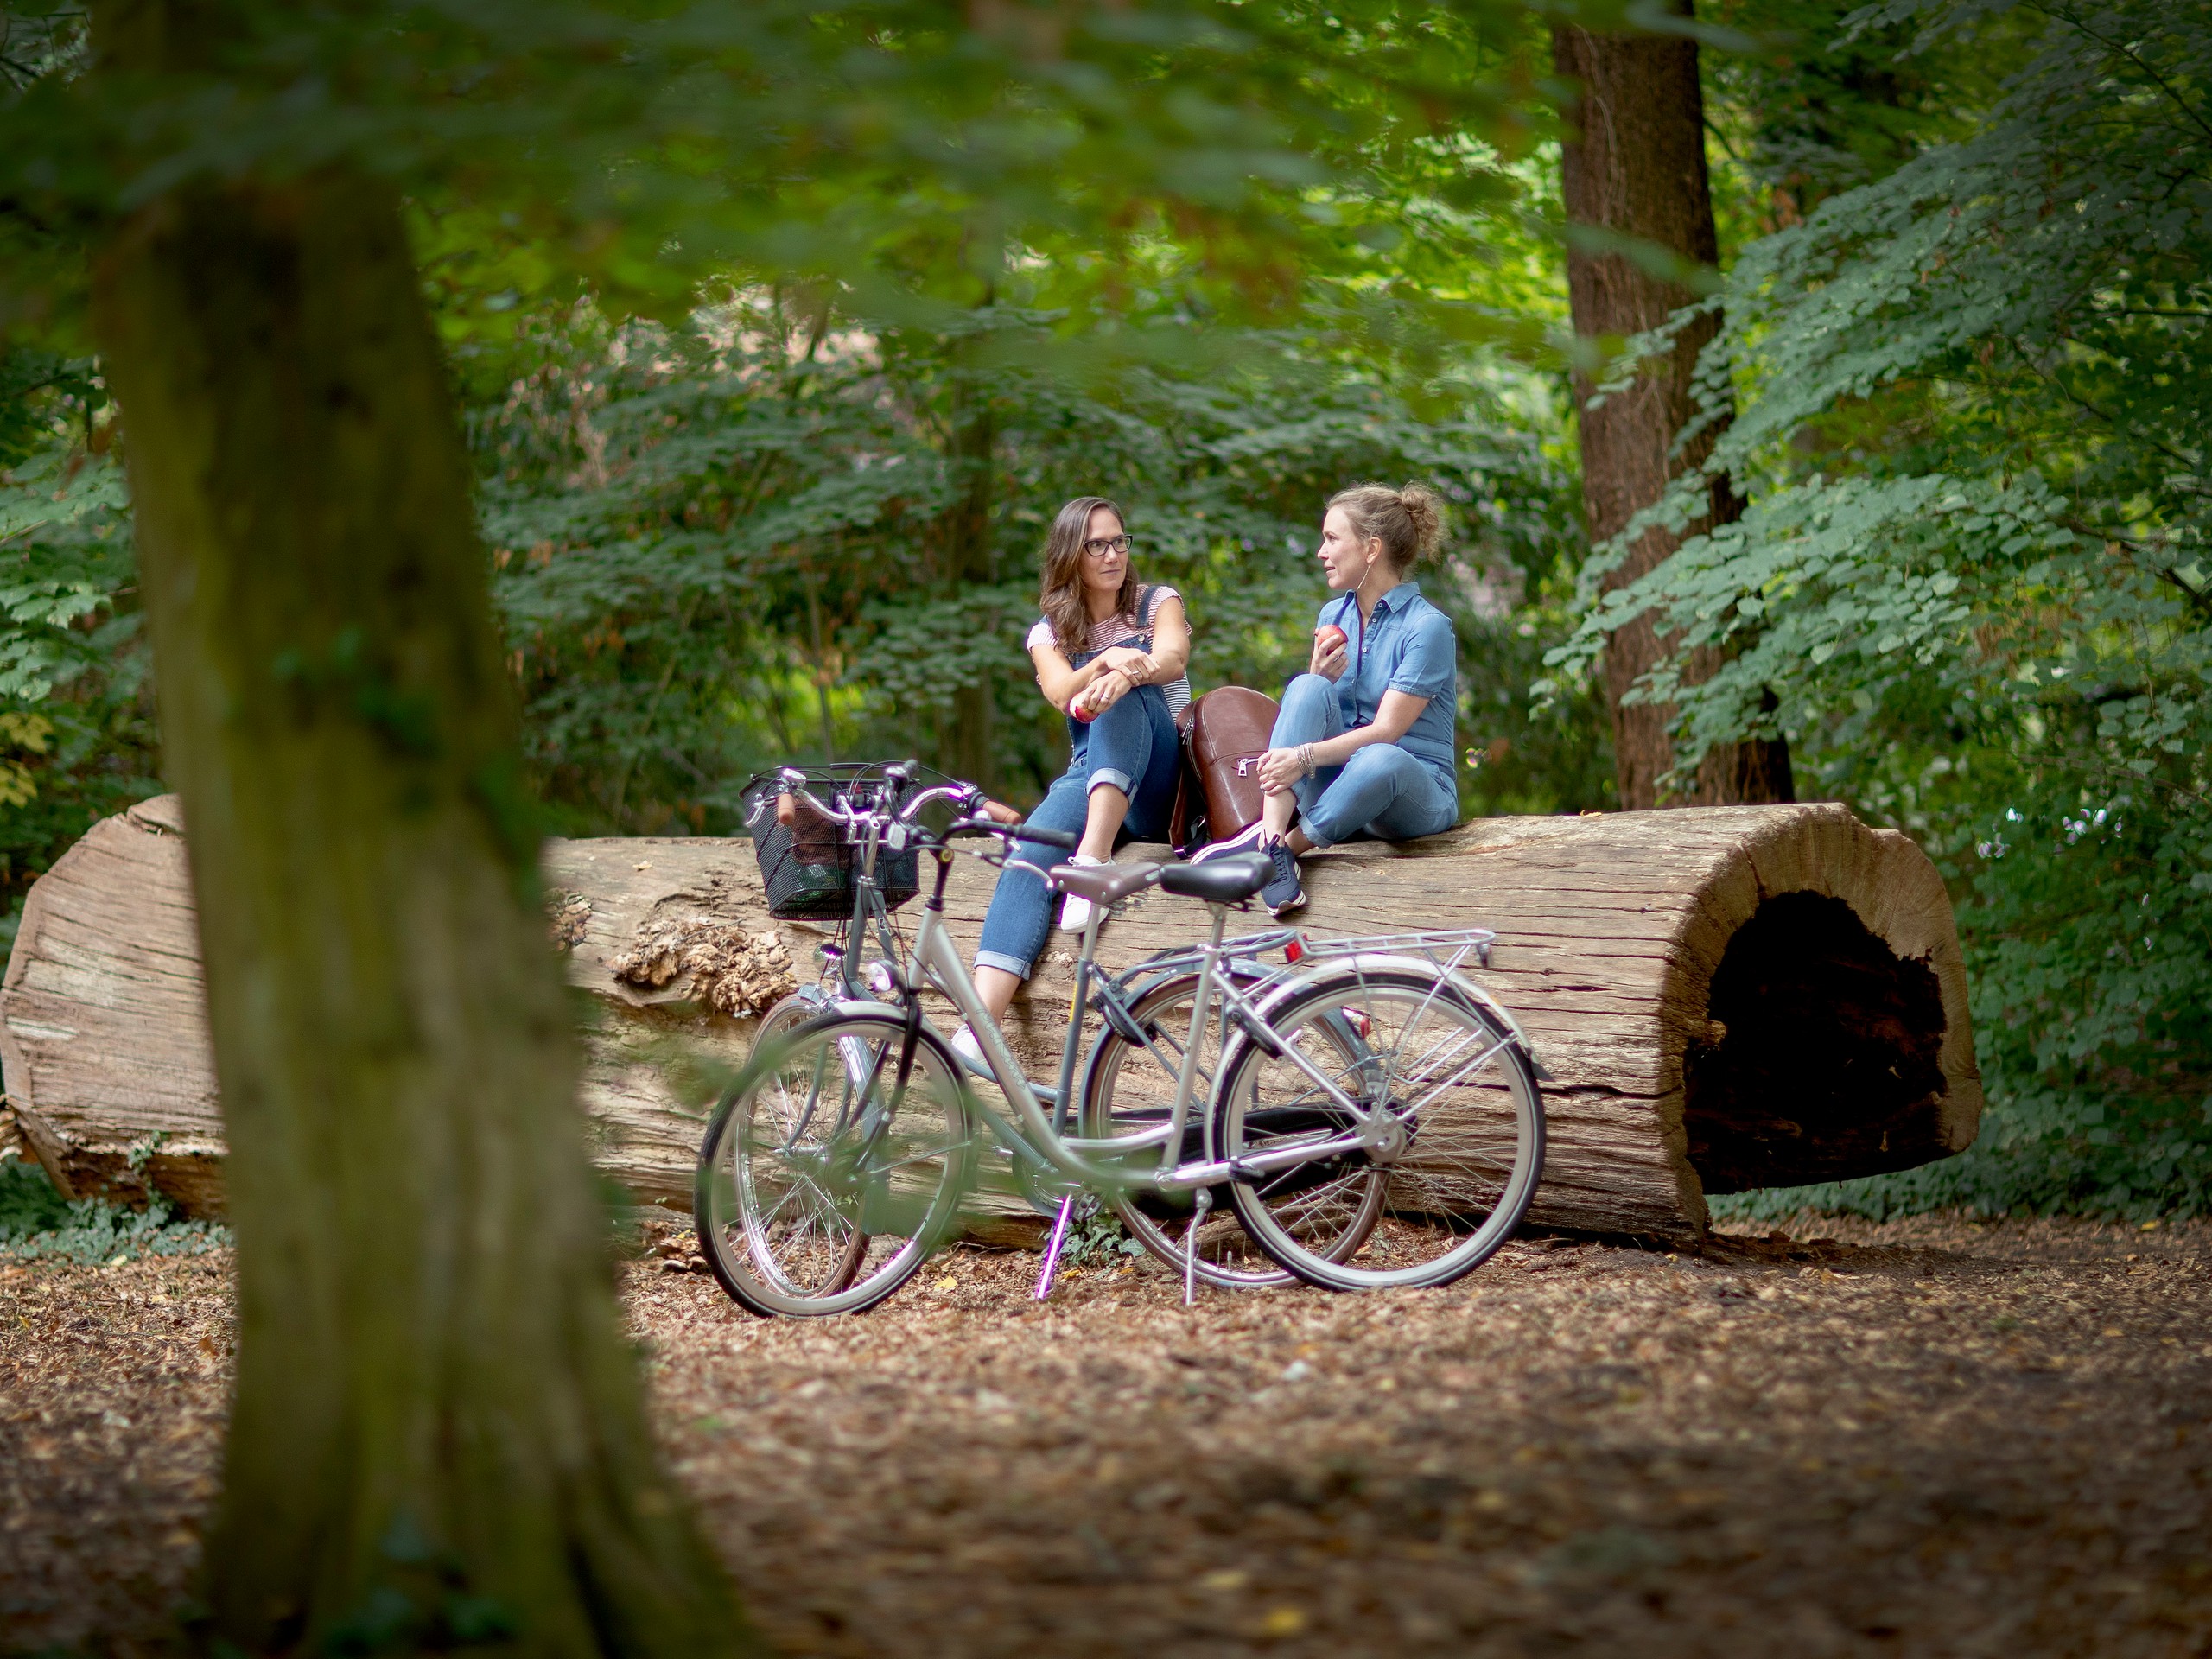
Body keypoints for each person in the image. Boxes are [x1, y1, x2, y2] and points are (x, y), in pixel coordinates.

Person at [962, 496, 1192, 1044]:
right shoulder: (1049, 633)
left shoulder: (1156, 601)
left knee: (1124, 693)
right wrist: (1103, 661)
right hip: (1089, 777)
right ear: (1071, 555)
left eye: (1119, 541)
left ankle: (1091, 862)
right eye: (1097, 545)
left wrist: (1129, 671)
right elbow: (1064, 693)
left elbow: (1173, 657)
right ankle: (979, 1030)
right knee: (1027, 859)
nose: (1113, 554)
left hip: (1161, 782)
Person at [1196, 482, 1458, 917]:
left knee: (1380, 757)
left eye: (1333, 539)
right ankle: (1270, 837)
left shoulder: (1427, 627)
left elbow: (1388, 733)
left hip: (1412, 792)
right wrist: (1317, 676)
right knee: (1305, 686)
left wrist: (1303, 756)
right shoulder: (1332, 617)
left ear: (1371, 549)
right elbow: (1312, 708)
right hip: (1340, 788)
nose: (1321, 551)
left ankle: (1283, 852)